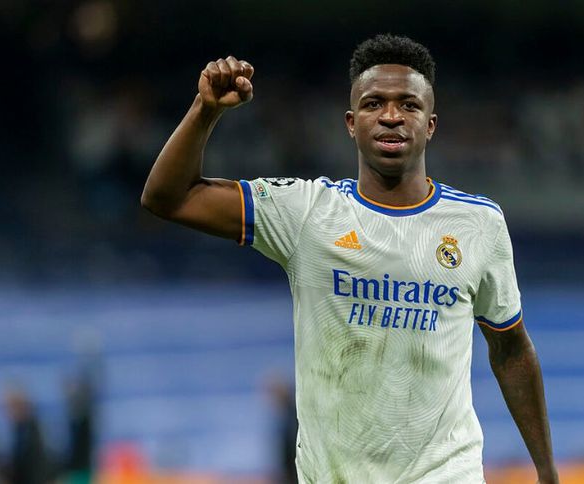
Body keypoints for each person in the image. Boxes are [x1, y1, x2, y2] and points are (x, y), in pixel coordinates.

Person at [142, 34, 558, 483]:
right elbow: (168, 197)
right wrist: (206, 110)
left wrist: (547, 472)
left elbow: (511, 349)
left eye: (409, 105)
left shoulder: (479, 224)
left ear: (431, 125)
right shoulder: (305, 212)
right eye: (374, 103)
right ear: (351, 123)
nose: (392, 116)